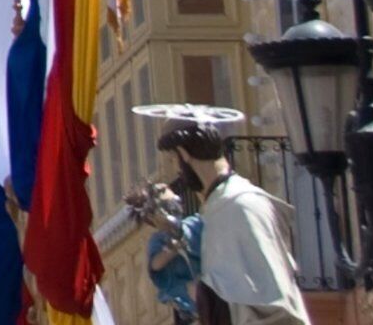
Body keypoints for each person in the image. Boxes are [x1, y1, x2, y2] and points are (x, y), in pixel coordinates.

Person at [163, 119, 309, 325]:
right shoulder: (218, 210)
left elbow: (273, 299)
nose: (175, 171)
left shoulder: (241, 206)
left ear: (183, 154)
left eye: (172, 160)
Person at [131, 181, 200, 325]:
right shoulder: (158, 240)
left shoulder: (193, 224)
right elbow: (155, 265)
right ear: (152, 218)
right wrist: (171, 250)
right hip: (186, 295)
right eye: (163, 207)